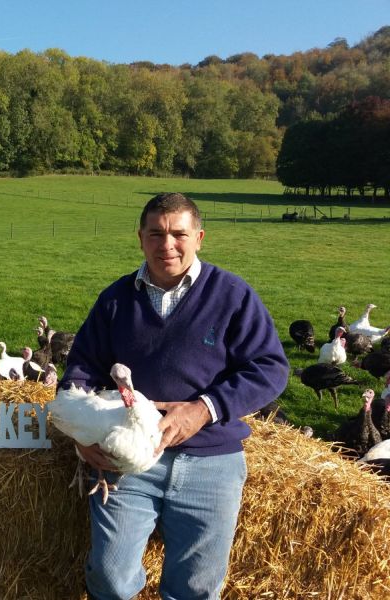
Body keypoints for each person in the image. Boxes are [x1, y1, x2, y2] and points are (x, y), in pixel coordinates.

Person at [59, 192, 289, 600]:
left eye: (178, 234)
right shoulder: (115, 300)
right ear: (140, 239)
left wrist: (203, 410)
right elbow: (81, 369)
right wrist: (80, 431)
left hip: (212, 462)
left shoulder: (232, 296)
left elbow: (270, 368)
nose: (167, 245)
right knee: (110, 579)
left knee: (195, 589)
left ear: (199, 237)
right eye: (156, 234)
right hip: (128, 460)